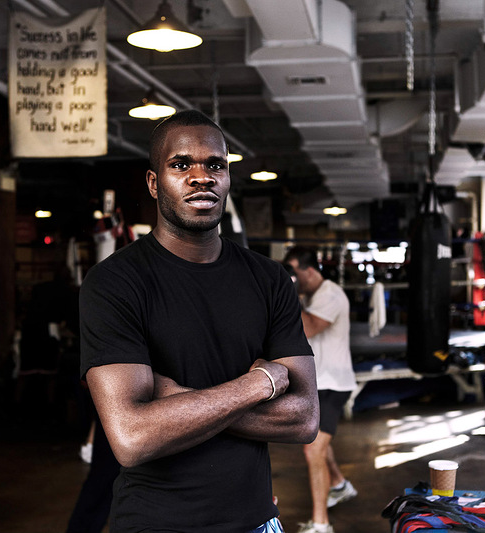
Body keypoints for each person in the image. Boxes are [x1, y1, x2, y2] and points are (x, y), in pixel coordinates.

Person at [79, 109, 319, 533]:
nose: (201, 177)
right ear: (154, 183)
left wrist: (177, 400)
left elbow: (304, 419)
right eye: (180, 165)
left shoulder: (269, 279)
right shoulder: (114, 283)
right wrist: (257, 385)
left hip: (257, 522)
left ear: (227, 178)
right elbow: (132, 438)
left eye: (215, 165)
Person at [283, 247, 358, 533]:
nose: (293, 278)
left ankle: (321, 524)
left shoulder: (331, 294)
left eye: (294, 272)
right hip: (318, 382)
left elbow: (310, 328)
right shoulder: (310, 296)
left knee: (313, 450)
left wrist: (287, 293)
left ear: (310, 271)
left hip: (333, 385)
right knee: (319, 444)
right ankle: (339, 485)